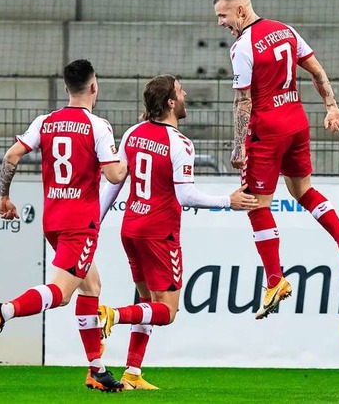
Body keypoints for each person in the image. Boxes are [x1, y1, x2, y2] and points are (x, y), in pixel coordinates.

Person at [213, 0, 339, 319]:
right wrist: (332, 107)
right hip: (296, 122)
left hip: (266, 132)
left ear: (240, 11)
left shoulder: (243, 47)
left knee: (255, 203)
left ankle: (274, 280)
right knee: (303, 191)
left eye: (223, 16)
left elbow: (243, 101)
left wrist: (239, 144)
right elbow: (317, 71)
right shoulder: (286, 30)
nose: (220, 23)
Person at [97, 75, 258, 389]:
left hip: (130, 227)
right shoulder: (180, 144)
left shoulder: (132, 133)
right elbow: (186, 197)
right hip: (159, 233)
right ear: (170, 102)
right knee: (167, 311)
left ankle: (132, 373)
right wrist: (229, 201)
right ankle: (113, 315)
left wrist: (96, 223)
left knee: (146, 303)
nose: (185, 95)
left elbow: (114, 183)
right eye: (181, 91)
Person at [0, 59, 128, 392]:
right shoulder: (98, 126)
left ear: (66, 89)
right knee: (62, 294)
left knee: (91, 286)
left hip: (53, 219)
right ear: (94, 86)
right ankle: (3, 311)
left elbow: (11, 157)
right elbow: (113, 174)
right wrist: (128, 157)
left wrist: (4, 196)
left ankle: (97, 370)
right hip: (81, 223)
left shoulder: (45, 121)